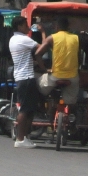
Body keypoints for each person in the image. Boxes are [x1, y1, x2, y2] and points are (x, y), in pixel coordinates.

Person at [11, 17, 54, 148]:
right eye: (25, 25)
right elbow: (42, 49)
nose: (28, 28)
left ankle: (24, 137)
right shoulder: (23, 39)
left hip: (21, 77)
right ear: (19, 27)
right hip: (26, 78)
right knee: (25, 110)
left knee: (29, 109)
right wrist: (43, 32)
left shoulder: (14, 39)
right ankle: (20, 138)